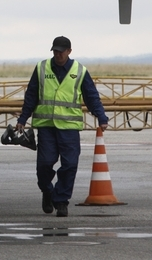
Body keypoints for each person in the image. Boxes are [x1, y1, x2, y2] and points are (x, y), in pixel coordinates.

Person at [15, 36, 109, 217]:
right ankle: (47, 191)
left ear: (69, 51)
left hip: (69, 128)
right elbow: (31, 95)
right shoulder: (42, 68)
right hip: (46, 126)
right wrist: (23, 118)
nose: (57, 54)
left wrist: (101, 116)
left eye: (61, 51)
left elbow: (91, 96)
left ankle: (61, 201)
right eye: (55, 51)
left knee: (70, 164)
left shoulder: (80, 71)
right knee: (44, 164)